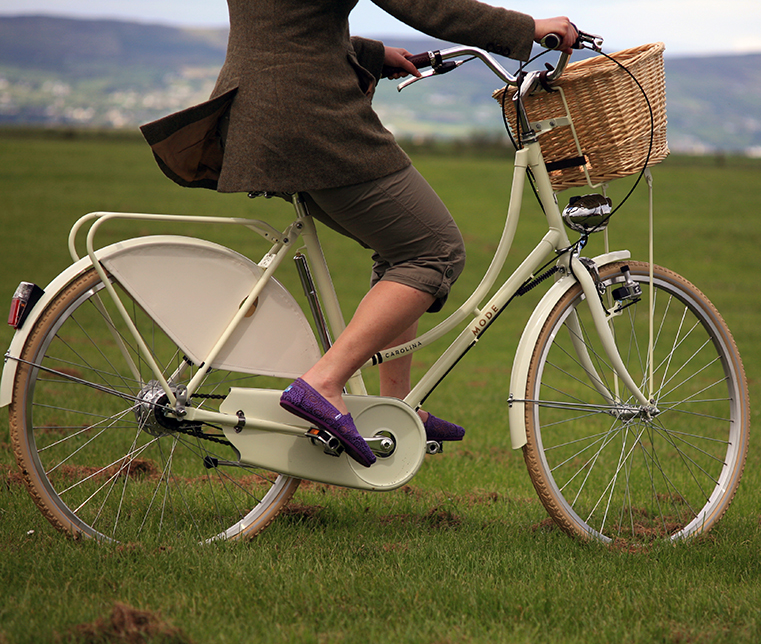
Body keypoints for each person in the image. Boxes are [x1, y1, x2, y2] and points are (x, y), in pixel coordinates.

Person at [141, 1, 578, 467]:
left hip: (254, 109)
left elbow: (283, 21)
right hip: (308, 115)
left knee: (401, 252)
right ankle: (323, 383)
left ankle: (396, 406)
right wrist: (527, 28)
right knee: (434, 251)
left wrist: (367, 53)